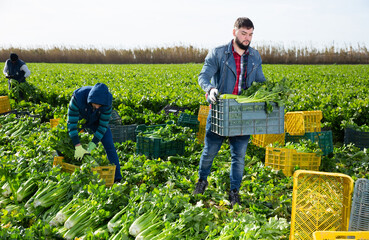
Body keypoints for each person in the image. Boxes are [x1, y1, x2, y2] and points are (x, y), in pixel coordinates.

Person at [194, 17, 266, 207]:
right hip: (220, 111)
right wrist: (210, 89)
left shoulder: (255, 56)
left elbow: (260, 81)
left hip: (243, 114)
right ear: (234, 32)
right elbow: (203, 76)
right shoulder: (218, 53)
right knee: (209, 151)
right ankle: (202, 181)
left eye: (250, 34)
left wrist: (269, 94)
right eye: (243, 33)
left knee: (239, 156)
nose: (247, 38)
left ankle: (234, 191)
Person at [67, 82, 122, 183]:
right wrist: (77, 145)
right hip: (81, 118)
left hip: (96, 120)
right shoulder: (77, 98)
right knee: (68, 140)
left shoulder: (106, 103)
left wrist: (92, 144)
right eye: (95, 104)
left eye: (99, 105)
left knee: (109, 144)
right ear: (89, 99)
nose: (97, 107)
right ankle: (69, 167)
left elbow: (102, 126)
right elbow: (71, 123)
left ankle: (117, 177)